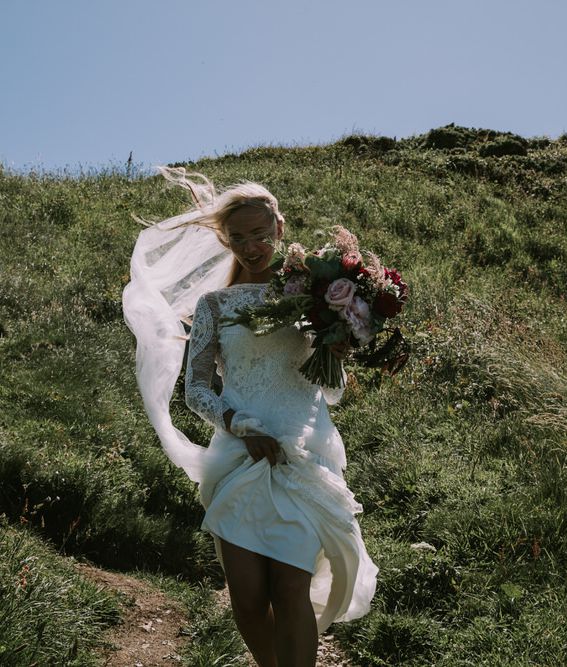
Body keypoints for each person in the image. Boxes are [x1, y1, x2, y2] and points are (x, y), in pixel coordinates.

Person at [122, 167, 378, 667]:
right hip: (239, 457)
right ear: (226, 239)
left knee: (289, 588)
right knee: (247, 601)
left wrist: (338, 352)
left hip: (302, 454)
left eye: (260, 234)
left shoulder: (312, 298)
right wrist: (238, 423)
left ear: (278, 230)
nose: (251, 245)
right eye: (238, 237)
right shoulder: (214, 305)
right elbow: (196, 388)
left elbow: (332, 390)